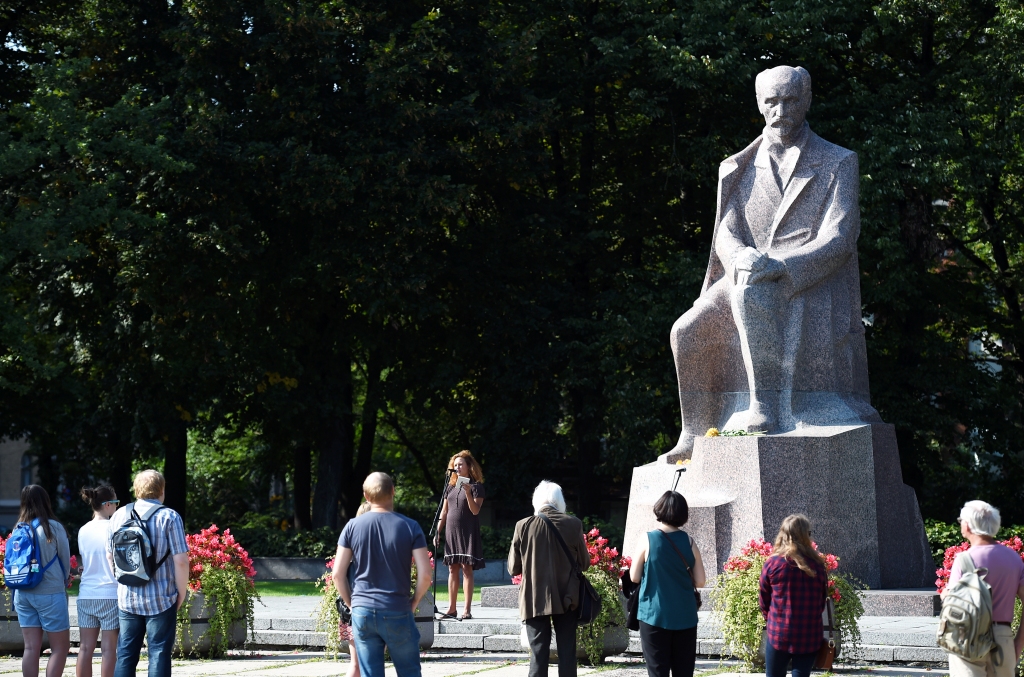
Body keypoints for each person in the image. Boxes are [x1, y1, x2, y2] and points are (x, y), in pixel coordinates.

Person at [665, 65, 879, 457]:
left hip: (803, 278)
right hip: (745, 272)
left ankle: (763, 408)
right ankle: (694, 432)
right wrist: (741, 258)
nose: (780, 110)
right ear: (760, 106)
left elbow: (840, 237)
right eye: (771, 102)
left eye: (790, 100)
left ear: (807, 100)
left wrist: (783, 266)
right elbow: (724, 233)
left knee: (753, 294)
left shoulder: (837, 161)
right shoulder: (739, 166)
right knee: (686, 330)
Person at [332, 472, 432, 677]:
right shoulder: (410, 526)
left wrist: (352, 604)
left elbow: (337, 574)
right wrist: (414, 601)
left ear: (366, 496)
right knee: (409, 672)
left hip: (363, 611)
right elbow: (425, 575)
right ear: (393, 492)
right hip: (397, 607)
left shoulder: (352, 526)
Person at [107, 469, 189, 677]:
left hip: (127, 597)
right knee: (159, 652)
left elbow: (110, 556)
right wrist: (182, 593)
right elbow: (180, 561)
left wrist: (122, 583)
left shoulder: (118, 515)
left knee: (125, 654)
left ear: (136, 490)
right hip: (161, 597)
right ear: (161, 490)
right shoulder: (169, 517)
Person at [507, 480, 590, 677]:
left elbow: (513, 568)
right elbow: (584, 563)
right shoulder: (573, 524)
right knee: (567, 653)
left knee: (538, 654)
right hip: (567, 597)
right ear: (560, 501)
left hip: (534, 598)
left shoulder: (523, 526)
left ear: (536, 501)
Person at [629, 491, 706, 677]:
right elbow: (701, 581)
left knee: (657, 671)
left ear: (659, 509)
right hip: (685, 616)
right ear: (683, 514)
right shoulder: (689, 542)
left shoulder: (647, 539)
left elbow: (634, 577)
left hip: (653, 615)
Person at [944, 500, 1024, 677]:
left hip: (968, 635)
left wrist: (945, 594)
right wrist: (1017, 644)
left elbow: (950, 601)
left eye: (961, 520)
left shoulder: (964, 559)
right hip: (1003, 637)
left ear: (969, 525)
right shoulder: (1014, 559)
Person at [12, 485, 72, 677]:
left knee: (30, 648)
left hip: (22, 594)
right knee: (60, 648)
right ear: (45, 501)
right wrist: (65, 578)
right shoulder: (52, 527)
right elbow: (65, 559)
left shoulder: (18, 528)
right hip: (50, 593)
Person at [758, 514, 828, 677]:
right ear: (806, 536)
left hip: (779, 631)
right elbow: (821, 601)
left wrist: (772, 619)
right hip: (809, 632)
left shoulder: (773, 563)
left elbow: (764, 599)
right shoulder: (817, 565)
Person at [434, 450, 485, 620]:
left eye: (460, 464)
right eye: (455, 465)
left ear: (469, 466)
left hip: (467, 531)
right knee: (452, 568)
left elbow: (475, 511)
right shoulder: (450, 488)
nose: (457, 467)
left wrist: (469, 492)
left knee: (466, 568)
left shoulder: (476, 487)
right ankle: (451, 608)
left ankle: (467, 609)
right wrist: (437, 531)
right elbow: (444, 511)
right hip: (451, 532)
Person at [77, 485, 121, 677]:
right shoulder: (114, 528)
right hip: (110, 594)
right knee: (109, 650)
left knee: (85, 648)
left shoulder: (83, 530)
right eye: (117, 503)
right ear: (108, 504)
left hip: (86, 594)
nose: (118, 507)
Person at [339, 500, 373, 677]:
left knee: (355, 664)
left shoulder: (351, 539)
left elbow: (338, 574)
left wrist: (349, 604)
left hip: (353, 609)